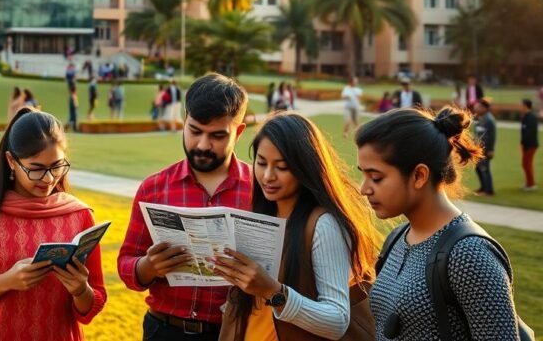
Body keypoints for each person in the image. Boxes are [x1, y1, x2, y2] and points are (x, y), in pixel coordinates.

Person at [0, 108, 108, 340]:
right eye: (36, 169)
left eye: (57, 166)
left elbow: (91, 307)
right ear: (11, 161)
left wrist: (80, 289)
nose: (48, 179)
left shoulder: (79, 215)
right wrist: (6, 281)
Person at [356, 107, 519, 339]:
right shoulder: (397, 237)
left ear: (419, 175)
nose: (364, 189)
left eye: (376, 177)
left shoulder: (468, 254)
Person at [212, 112, 378, 339]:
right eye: (261, 163)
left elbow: (337, 320)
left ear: (305, 168)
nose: (267, 176)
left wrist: (272, 291)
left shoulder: (323, 225)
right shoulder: (264, 214)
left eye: (281, 167)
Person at [118, 73, 253, 340]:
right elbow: (126, 263)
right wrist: (149, 266)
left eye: (217, 135)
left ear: (238, 132)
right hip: (163, 329)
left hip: (232, 332)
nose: (203, 145)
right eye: (194, 131)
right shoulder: (153, 188)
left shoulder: (259, 192)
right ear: (184, 123)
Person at [473, 98, 496, 196]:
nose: (476, 108)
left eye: (478, 106)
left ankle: (488, 191)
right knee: (478, 168)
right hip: (479, 149)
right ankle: (483, 187)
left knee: (484, 169)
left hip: (485, 149)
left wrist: (491, 149)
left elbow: (492, 136)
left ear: (484, 108)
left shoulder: (489, 120)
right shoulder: (480, 117)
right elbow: (478, 132)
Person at [520, 98, 539, 192]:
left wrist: (524, 143)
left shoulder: (531, 117)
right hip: (526, 145)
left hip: (530, 145)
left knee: (527, 164)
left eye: (522, 105)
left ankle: (531, 184)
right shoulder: (526, 116)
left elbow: (530, 133)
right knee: (526, 164)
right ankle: (529, 182)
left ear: (525, 106)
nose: (520, 107)